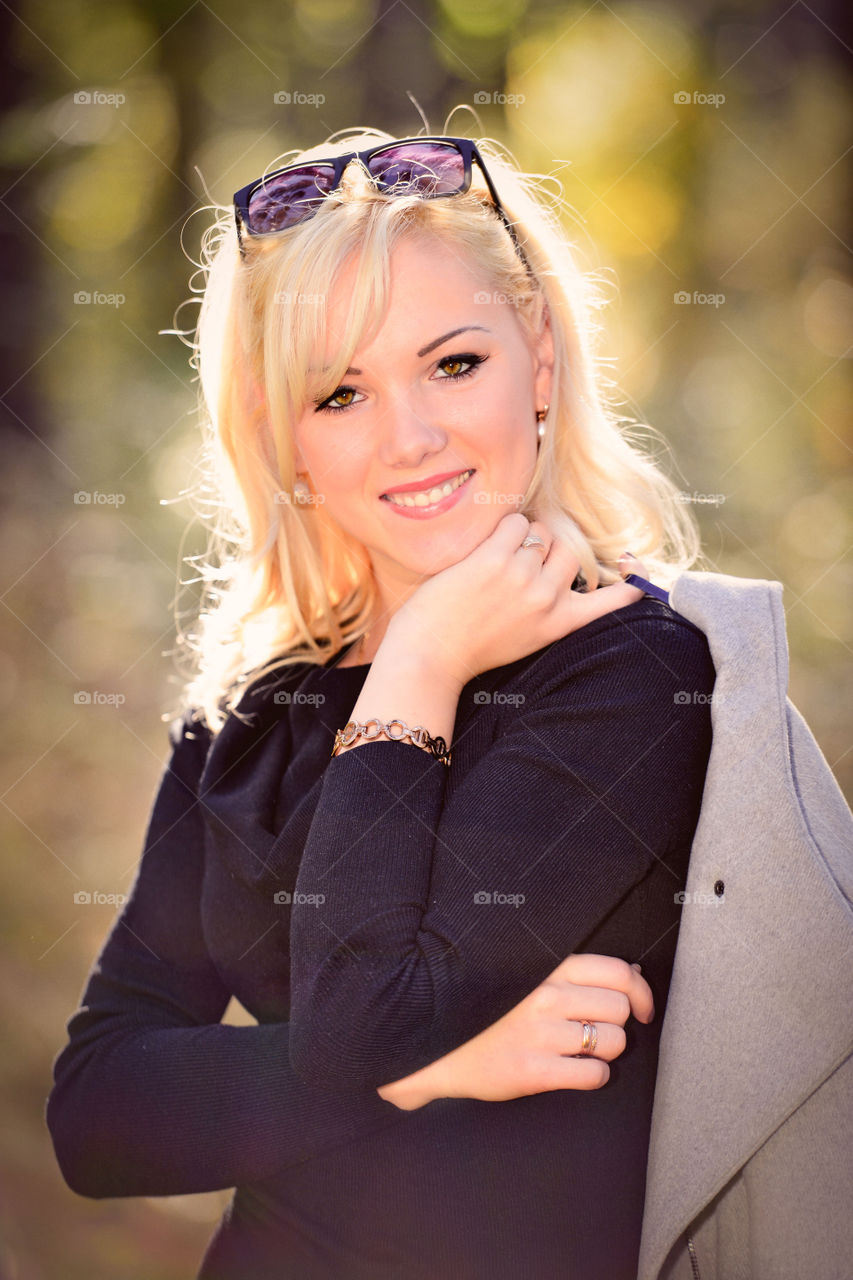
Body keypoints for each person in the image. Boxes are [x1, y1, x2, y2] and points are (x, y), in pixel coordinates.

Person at [46, 131, 716, 1279]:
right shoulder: (252, 709)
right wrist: (434, 1067)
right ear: (284, 435)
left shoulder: (633, 673)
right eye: (341, 392)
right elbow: (97, 1114)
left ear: (539, 359)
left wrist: (422, 658)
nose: (410, 437)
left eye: (453, 363)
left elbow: (359, 1023)